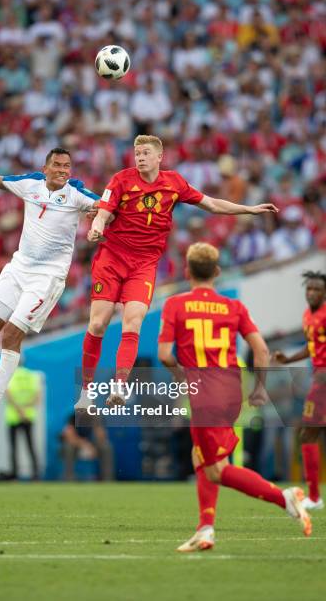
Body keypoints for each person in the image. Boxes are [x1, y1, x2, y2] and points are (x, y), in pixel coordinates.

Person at [75, 135, 278, 409]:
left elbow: (212, 203)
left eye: (146, 152)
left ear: (160, 157)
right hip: (111, 259)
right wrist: (96, 227)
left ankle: (120, 385)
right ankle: (86, 393)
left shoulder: (174, 183)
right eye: (137, 153)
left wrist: (248, 209)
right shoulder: (121, 180)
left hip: (144, 264)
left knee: (132, 322)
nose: (140, 157)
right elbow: (102, 212)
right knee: (98, 324)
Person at [158, 242, 311, 552]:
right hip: (230, 390)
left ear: (187, 271)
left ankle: (284, 498)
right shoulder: (233, 307)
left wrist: (181, 377)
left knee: (217, 470)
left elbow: (163, 355)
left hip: (204, 392)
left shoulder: (175, 304)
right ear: (217, 271)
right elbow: (261, 349)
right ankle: (205, 529)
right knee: (202, 457)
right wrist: (258, 388)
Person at [0, 147, 98, 432]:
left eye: (68, 166)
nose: (64, 170)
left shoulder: (77, 195)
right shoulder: (30, 185)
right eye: (58, 165)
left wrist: (102, 215)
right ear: (46, 167)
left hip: (46, 278)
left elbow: (107, 206)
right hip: (17, 270)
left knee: (12, 335)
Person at [273, 270, 326, 511]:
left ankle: (314, 497)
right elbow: (312, 346)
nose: (312, 293)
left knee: (308, 434)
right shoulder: (307, 316)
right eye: (309, 289)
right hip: (319, 380)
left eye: (317, 289)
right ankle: (314, 496)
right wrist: (289, 359)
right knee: (308, 434)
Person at [5, 365, 41, 480]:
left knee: (13, 447)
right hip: (28, 416)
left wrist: (19, 410)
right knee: (31, 446)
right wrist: (25, 409)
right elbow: (37, 396)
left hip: (13, 417)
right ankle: (36, 474)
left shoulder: (11, 375)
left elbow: (8, 395)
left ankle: (14, 474)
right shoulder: (32, 376)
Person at [60, 413, 114, 481]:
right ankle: (68, 478)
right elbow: (69, 436)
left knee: (106, 446)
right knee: (68, 447)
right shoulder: (73, 418)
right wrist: (85, 445)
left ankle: (107, 480)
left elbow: (101, 437)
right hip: (77, 447)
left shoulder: (96, 418)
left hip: (92, 447)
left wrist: (93, 446)